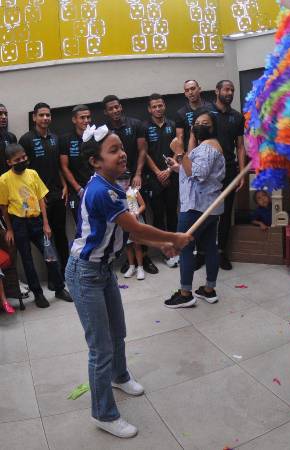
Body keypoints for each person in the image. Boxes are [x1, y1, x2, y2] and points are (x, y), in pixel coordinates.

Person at [67, 124, 191, 438]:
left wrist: (161, 244)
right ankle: (103, 414)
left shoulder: (114, 185)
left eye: (121, 147)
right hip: (85, 274)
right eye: (113, 151)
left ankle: (119, 376)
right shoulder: (101, 191)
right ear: (96, 161)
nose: (122, 154)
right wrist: (172, 237)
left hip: (103, 270)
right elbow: (135, 229)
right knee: (100, 348)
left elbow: (130, 231)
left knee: (118, 333)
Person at [163, 109, 225, 308]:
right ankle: (208, 289)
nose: (199, 126)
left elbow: (198, 174)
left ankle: (185, 293)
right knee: (209, 247)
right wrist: (178, 164)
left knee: (185, 247)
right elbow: (190, 166)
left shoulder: (209, 146)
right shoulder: (204, 145)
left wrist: (180, 152)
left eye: (204, 123)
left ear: (213, 126)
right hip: (209, 207)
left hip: (196, 207)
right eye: (196, 123)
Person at [0, 143, 71, 308]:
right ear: (9, 162)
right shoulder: (3, 180)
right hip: (19, 224)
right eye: (17, 159)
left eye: (24, 157)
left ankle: (60, 288)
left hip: (37, 221)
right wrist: (10, 229)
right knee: (28, 261)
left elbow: (41, 198)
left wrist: (46, 223)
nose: (22, 161)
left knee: (50, 256)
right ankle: (38, 294)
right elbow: (3, 207)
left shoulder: (32, 173)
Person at [102, 95, 157, 275]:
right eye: (111, 108)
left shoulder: (135, 124)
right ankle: (130, 261)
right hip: (115, 180)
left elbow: (143, 150)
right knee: (121, 220)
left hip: (135, 178)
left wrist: (138, 174)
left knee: (141, 218)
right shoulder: (104, 131)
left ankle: (145, 259)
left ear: (121, 107)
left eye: (117, 107)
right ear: (106, 112)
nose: (115, 110)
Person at [19, 102, 69, 276]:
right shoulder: (26, 140)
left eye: (48, 115)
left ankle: (67, 272)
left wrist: (64, 185)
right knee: (46, 241)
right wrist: (35, 196)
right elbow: (23, 174)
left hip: (57, 195)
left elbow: (57, 166)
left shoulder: (55, 138)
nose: (45, 118)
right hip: (40, 200)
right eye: (41, 115)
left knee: (61, 236)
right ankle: (55, 279)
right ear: (34, 117)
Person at [209, 80, 246, 271]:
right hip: (208, 173)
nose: (229, 92)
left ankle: (221, 252)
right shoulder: (206, 113)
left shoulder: (237, 117)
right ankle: (203, 253)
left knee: (225, 214)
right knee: (206, 214)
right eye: (226, 89)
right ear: (217, 91)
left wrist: (241, 173)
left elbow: (240, 146)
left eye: (232, 89)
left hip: (230, 171)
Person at [142, 93, 179, 268]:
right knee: (158, 216)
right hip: (153, 179)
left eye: (160, 105)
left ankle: (175, 249)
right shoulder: (144, 127)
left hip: (172, 175)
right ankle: (165, 252)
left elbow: (178, 149)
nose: (158, 109)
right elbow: (144, 152)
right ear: (149, 109)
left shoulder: (173, 125)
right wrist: (158, 172)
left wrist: (169, 171)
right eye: (154, 106)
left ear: (164, 106)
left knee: (172, 213)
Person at [60, 105, 94, 222]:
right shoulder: (66, 139)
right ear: (74, 120)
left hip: (95, 187)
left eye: (88, 117)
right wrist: (78, 188)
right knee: (81, 224)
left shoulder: (96, 136)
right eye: (82, 117)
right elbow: (64, 167)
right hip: (76, 190)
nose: (86, 121)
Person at [117, 173, 146, 281]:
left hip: (136, 222)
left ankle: (140, 267)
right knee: (128, 246)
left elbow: (143, 205)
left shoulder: (134, 191)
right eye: (120, 180)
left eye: (126, 179)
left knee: (137, 245)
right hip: (124, 224)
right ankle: (131, 266)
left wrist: (137, 212)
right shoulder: (116, 193)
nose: (124, 182)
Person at [175, 80, 211, 152]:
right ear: (185, 93)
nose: (190, 92)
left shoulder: (210, 108)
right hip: (191, 153)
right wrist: (181, 157)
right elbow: (180, 138)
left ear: (199, 89)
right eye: (187, 90)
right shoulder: (181, 113)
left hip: (210, 150)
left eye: (193, 88)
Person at [0, 104, 17, 175]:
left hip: (8, 182)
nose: (4, 117)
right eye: (0, 114)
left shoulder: (11, 137)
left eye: (5, 114)